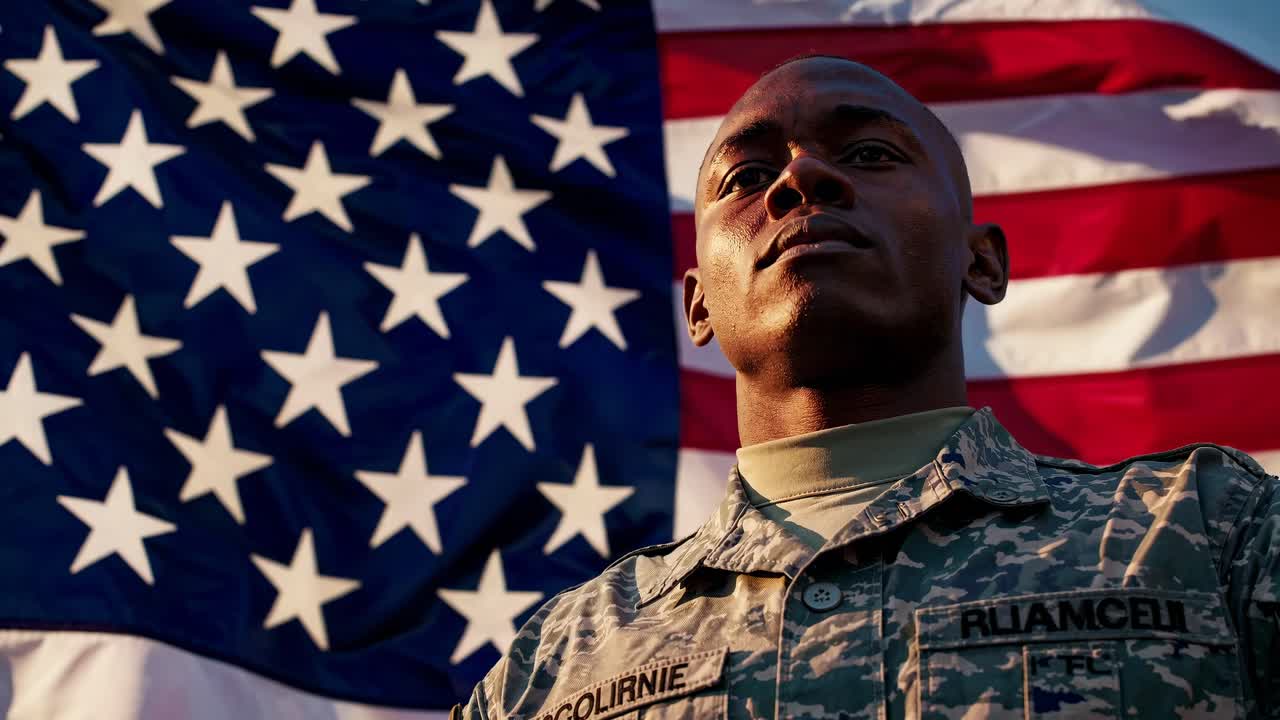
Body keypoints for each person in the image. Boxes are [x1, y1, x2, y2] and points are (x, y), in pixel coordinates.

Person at [453, 56, 1279, 719]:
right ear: (698, 302)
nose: (800, 181)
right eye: (745, 177)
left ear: (982, 261)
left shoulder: (1213, 535)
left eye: (870, 155)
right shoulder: (553, 668)